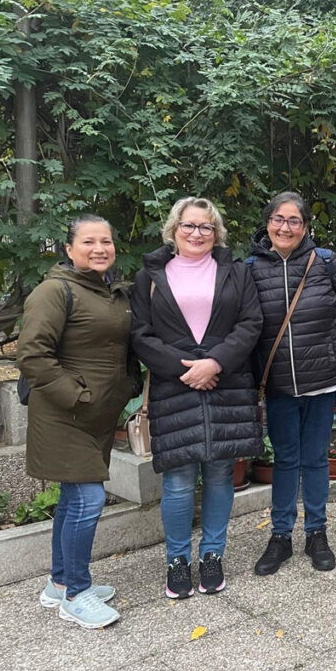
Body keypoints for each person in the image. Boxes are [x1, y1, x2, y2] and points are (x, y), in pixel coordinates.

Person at [131, 197, 263, 599]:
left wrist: (216, 363)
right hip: (176, 386)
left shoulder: (236, 272)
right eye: (189, 226)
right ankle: (176, 561)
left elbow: (251, 322)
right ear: (174, 230)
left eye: (206, 227)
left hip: (226, 383)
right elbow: (140, 333)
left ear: (216, 232)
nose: (197, 234)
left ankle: (212, 555)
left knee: (222, 474)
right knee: (178, 480)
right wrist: (187, 367)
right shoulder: (150, 276)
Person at [17, 214, 139, 629]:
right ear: (69, 249)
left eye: (106, 241)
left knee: (73, 501)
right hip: (65, 414)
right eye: (89, 241)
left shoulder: (111, 292)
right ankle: (76, 594)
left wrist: (126, 386)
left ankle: (59, 583)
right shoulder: (54, 291)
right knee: (88, 500)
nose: (100, 248)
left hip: (98, 414)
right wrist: (78, 396)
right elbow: (33, 355)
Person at [249, 191, 336, 576]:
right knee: (285, 460)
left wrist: (328, 352)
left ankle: (316, 532)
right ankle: (280, 535)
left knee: (315, 459)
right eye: (279, 219)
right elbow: (247, 326)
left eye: (294, 220)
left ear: (306, 226)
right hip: (278, 383)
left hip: (323, 382)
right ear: (267, 224)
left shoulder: (327, 263)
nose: (285, 227)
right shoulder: (250, 269)